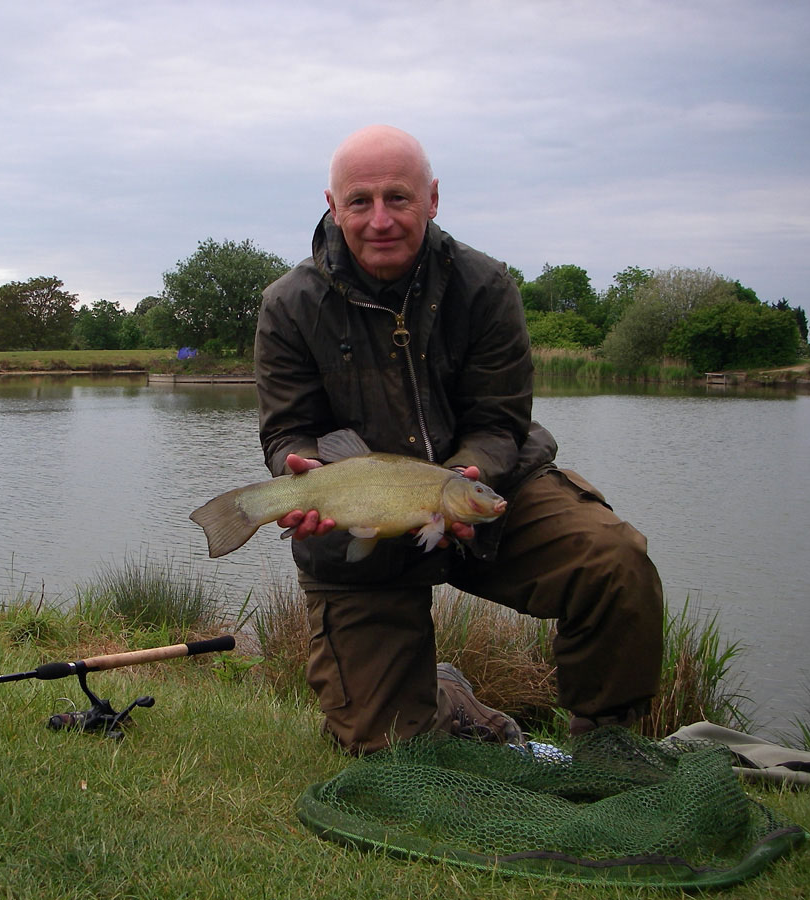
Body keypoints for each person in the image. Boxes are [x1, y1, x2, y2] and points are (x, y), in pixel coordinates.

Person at [254, 124, 664, 755]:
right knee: (386, 753)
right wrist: (294, 465)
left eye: (400, 197)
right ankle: (443, 696)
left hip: (487, 494)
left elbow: (500, 422)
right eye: (360, 201)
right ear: (333, 206)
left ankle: (606, 743)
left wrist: (470, 476)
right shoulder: (288, 304)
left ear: (434, 199)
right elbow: (288, 427)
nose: (380, 219)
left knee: (614, 565)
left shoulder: (485, 285)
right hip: (360, 527)